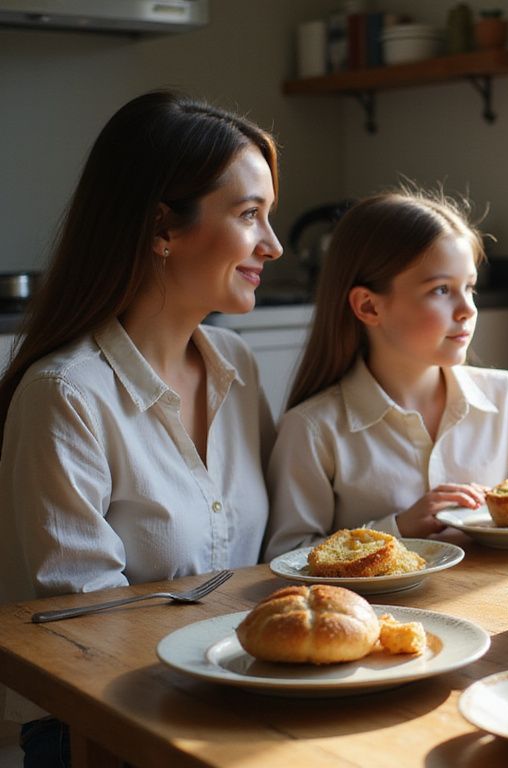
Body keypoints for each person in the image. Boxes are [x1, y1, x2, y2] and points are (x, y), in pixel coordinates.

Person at [0, 90, 281, 765]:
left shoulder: (236, 367)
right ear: (163, 227)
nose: (272, 245)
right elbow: (89, 630)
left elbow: (274, 558)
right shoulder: (66, 395)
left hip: (230, 698)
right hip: (98, 728)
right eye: (250, 216)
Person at [263, 190, 508, 558]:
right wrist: (399, 528)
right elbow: (287, 556)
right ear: (368, 306)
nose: (467, 310)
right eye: (441, 290)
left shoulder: (505, 396)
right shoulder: (313, 430)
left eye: (469, 288)